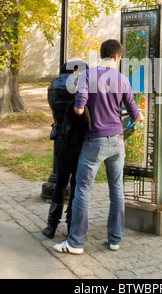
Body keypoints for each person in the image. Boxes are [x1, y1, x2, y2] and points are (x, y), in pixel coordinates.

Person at [53, 39, 143, 254]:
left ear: (101, 54)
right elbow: (133, 111)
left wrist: (82, 109)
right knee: (117, 191)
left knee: (83, 190)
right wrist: (139, 116)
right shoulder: (122, 79)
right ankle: (114, 239)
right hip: (116, 141)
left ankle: (75, 243)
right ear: (117, 57)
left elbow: (78, 108)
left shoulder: (88, 75)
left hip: (94, 142)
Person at [42, 61, 91, 239]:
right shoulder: (81, 85)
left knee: (60, 183)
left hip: (61, 137)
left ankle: (51, 225)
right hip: (78, 140)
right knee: (76, 184)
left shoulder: (53, 85)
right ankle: (71, 225)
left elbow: (53, 108)